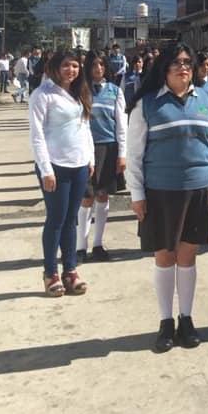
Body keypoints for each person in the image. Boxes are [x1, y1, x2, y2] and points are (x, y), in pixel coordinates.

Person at [125, 42, 208, 352]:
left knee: (187, 256)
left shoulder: (207, 99)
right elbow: (134, 155)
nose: (183, 67)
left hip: (198, 189)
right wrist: (137, 194)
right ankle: (165, 322)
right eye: (175, 63)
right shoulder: (147, 105)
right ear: (164, 69)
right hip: (160, 192)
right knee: (164, 255)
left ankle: (186, 319)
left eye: (187, 61)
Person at [29, 48, 94, 297]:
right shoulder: (42, 94)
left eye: (75, 66)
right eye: (66, 65)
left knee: (71, 220)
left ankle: (70, 270)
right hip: (55, 166)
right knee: (56, 220)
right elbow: (36, 136)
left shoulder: (78, 93)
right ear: (55, 67)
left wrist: (91, 158)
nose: (71, 70)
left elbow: (85, 127)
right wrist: (46, 169)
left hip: (79, 165)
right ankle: (50, 273)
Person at [77, 52, 126, 263]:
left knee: (103, 196)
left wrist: (122, 154)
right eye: (94, 65)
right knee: (86, 198)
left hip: (109, 149)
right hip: (86, 149)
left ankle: (98, 244)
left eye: (102, 65)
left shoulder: (115, 91)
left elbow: (121, 124)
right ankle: (80, 247)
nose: (98, 68)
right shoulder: (81, 91)